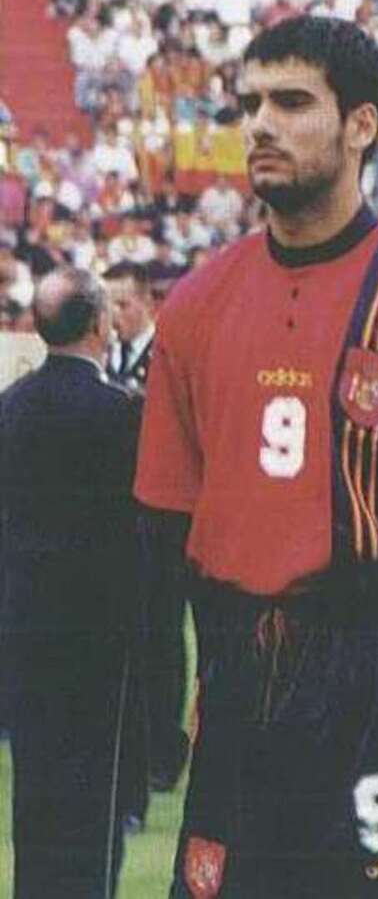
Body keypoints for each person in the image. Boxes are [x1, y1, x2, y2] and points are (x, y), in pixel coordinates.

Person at [134, 15, 378, 899]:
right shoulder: (196, 303)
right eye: (250, 104)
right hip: (243, 677)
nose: (261, 124)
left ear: (361, 124)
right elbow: (170, 516)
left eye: (292, 102)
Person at [1, 266, 142, 898]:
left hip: (23, 634)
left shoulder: (10, 409)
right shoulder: (121, 414)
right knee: (93, 807)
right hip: (98, 641)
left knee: (35, 797)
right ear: (98, 324)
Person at [106, 259, 191, 797]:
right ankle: (133, 739)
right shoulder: (106, 360)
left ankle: (165, 744)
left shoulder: (163, 358)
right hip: (120, 515)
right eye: (108, 304)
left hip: (164, 519)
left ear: (147, 304)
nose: (116, 315)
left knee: (162, 632)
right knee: (127, 633)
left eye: (124, 303)